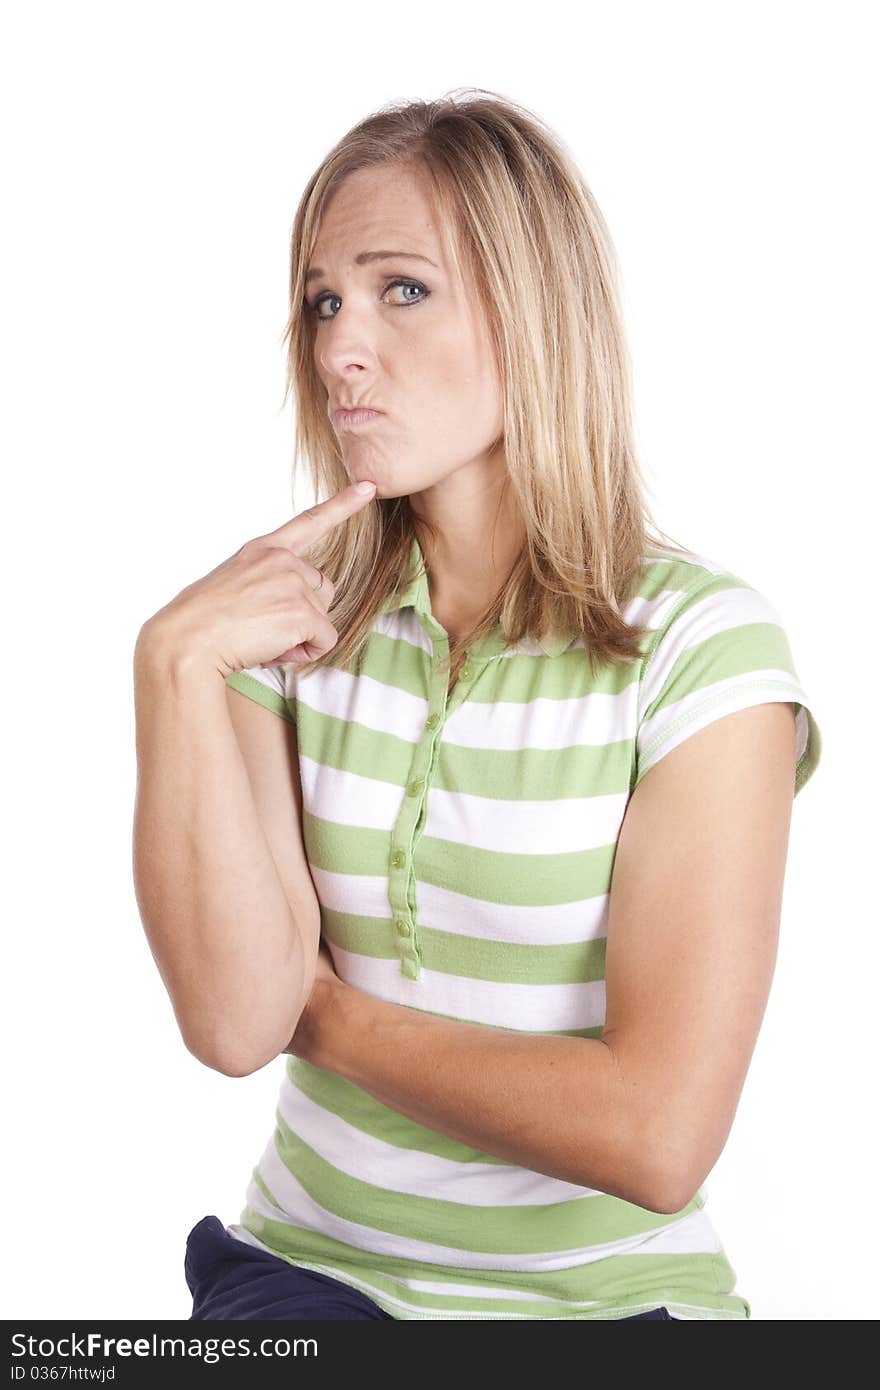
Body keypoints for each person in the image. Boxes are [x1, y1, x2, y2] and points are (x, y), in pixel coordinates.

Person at [133, 88, 821, 1322]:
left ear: (534, 310)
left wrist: (328, 1012)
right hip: (310, 1275)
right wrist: (172, 668)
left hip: (607, 1305)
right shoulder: (279, 635)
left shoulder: (703, 649)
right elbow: (240, 1022)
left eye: (402, 289)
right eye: (323, 299)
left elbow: (657, 1136)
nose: (341, 345)